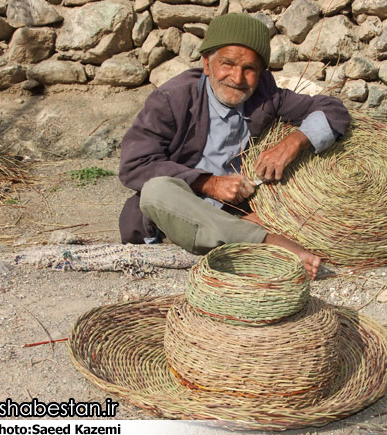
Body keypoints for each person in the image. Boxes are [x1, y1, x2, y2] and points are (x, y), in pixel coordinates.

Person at [118, 13, 351, 279]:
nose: (237, 78)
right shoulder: (172, 99)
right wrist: (209, 184)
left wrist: (293, 142)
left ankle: (233, 239)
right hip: (178, 211)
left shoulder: (264, 94)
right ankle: (264, 243)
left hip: (235, 213)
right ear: (207, 64)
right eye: (226, 64)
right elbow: (134, 166)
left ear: (261, 71)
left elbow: (333, 110)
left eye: (249, 68)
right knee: (156, 191)